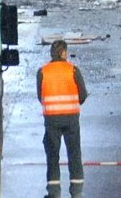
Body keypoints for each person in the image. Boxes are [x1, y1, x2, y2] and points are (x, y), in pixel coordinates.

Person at [38, 39, 88, 198]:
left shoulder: (43, 72)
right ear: (64, 53)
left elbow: (41, 96)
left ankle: (53, 191)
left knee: (52, 154)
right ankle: (77, 190)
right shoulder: (73, 70)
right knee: (74, 153)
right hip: (71, 118)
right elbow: (83, 95)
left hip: (52, 119)